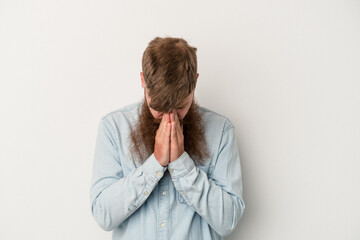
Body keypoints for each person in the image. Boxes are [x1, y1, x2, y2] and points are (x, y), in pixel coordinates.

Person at [89, 36, 245, 240]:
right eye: (159, 108)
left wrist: (182, 165)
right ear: (143, 81)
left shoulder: (221, 131)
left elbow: (228, 220)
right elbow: (103, 215)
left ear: (195, 82)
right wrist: (154, 164)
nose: (169, 118)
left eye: (180, 107)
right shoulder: (113, 128)